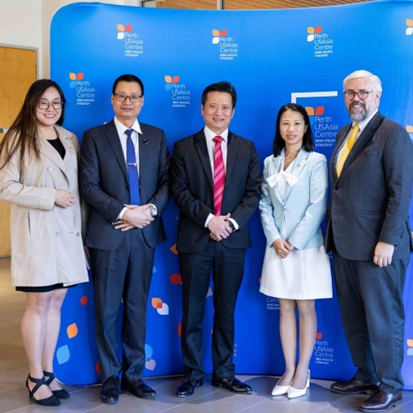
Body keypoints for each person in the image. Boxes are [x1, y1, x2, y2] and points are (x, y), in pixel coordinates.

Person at [79, 74, 170, 404]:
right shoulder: (94, 137)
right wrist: (123, 212)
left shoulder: (157, 137)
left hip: (144, 234)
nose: (128, 102)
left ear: (142, 100)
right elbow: (88, 187)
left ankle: (134, 375)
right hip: (109, 235)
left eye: (134, 97)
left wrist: (147, 212)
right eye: (121, 96)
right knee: (106, 311)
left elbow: (166, 183)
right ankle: (109, 377)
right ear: (112, 100)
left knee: (136, 308)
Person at [325, 70, 413, 412]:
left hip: (379, 248)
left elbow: (401, 192)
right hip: (345, 245)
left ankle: (390, 386)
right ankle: (366, 375)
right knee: (354, 316)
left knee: (384, 317)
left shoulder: (392, 134)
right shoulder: (344, 133)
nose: (356, 98)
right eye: (349, 93)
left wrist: (387, 241)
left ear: (377, 96)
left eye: (363, 92)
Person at [0, 79, 88, 406]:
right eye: (44, 103)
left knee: (56, 302)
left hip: (67, 234)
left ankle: (50, 371)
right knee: (38, 303)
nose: (51, 109)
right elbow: (5, 186)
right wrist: (49, 196)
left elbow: (78, 192)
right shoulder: (17, 138)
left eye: (57, 103)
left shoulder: (70, 138)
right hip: (36, 232)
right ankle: (34, 375)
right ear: (32, 105)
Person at [171, 81, 261, 397]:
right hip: (196, 239)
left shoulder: (246, 148)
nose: (218, 112)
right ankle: (192, 373)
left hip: (232, 241)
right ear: (202, 108)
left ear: (233, 112)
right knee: (192, 309)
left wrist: (230, 223)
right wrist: (210, 220)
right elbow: (179, 192)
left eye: (225, 107)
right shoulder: (183, 147)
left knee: (226, 309)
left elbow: (253, 193)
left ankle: (224, 372)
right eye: (213, 106)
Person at [259, 103, 332, 399]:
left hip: (305, 248)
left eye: (297, 124)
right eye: (285, 124)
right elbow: (264, 205)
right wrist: (275, 239)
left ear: (305, 128)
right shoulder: (270, 162)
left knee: (305, 307)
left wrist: (294, 241)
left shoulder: (316, 160)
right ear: (279, 128)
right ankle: (288, 369)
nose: (291, 129)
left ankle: (303, 369)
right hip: (277, 248)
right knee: (285, 306)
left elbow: (318, 205)